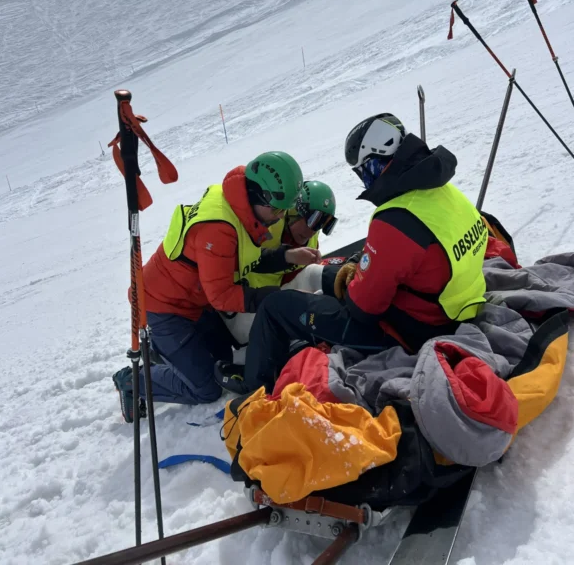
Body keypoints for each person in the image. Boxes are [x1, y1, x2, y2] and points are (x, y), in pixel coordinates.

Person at [224, 113, 490, 395]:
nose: (364, 180)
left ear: (376, 162)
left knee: (276, 306)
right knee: (329, 274)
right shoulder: (443, 192)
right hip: (455, 307)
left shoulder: (394, 219)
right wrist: (357, 270)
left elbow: (363, 309)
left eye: (363, 170)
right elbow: (409, 257)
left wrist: (354, 281)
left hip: (408, 329)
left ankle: (255, 388)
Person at [112, 151, 317, 421]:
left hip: (193, 300)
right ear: (259, 195)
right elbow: (222, 296)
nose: (279, 218)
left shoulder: (240, 208)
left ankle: (165, 353)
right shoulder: (218, 229)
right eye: (277, 210)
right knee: (207, 387)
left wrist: (286, 256)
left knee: (223, 362)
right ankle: (133, 381)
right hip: (164, 306)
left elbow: (244, 258)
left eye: (284, 211)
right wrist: (281, 298)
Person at [217, 180, 338, 354]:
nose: (313, 230)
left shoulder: (310, 239)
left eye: (324, 224)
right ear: (296, 210)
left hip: (274, 297)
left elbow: (295, 278)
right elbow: (240, 260)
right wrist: (286, 257)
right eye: (313, 219)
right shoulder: (264, 224)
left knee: (314, 274)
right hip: (243, 307)